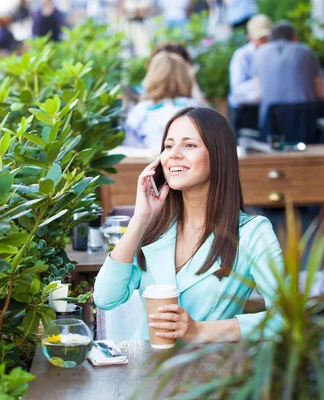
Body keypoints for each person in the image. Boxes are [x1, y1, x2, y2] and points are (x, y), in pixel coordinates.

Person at [94, 107, 283, 342]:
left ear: (218, 155)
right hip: (143, 371)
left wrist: (199, 330)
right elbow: (105, 298)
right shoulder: (153, 227)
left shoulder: (252, 233)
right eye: (168, 145)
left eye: (189, 145)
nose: (173, 154)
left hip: (208, 371)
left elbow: (286, 317)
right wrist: (140, 217)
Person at [123, 52, 203, 151]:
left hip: (146, 165)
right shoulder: (195, 107)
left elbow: (129, 148)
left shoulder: (139, 111)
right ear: (185, 77)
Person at [253, 21, 324, 128]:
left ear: (271, 38)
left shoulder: (260, 54)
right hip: (305, 122)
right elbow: (320, 92)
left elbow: (259, 94)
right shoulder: (307, 52)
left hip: (271, 123)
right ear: (294, 37)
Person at [228, 14, 271, 132]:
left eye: (267, 38)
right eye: (261, 38)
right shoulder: (242, 55)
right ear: (250, 37)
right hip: (245, 110)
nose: (265, 42)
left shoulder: (272, 54)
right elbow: (238, 89)